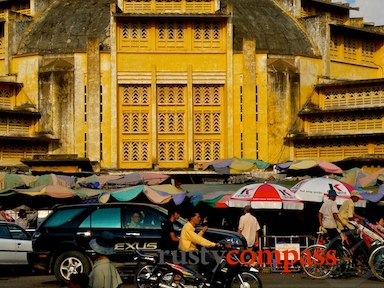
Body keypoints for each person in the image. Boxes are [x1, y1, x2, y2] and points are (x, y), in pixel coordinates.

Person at [179, 211, 219, 284]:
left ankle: (202, 279)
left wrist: (202, 231)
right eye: (198, 217)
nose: (199, 219)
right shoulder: (187, 228)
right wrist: (214, 244)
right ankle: (207, 283)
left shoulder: (190, 227)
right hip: (189, 252)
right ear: (192, 218)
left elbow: (195, 238)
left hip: (191, 251)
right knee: (212, 261)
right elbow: (199, 240)